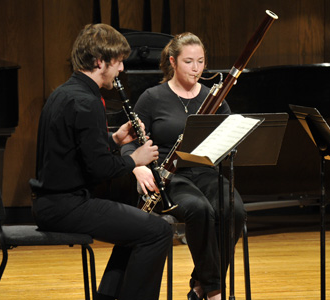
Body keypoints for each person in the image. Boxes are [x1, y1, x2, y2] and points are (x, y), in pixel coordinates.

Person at [30, 23, 172, 300]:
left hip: (50, 202)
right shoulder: (88, 102)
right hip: (66, 206)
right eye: (118, 62)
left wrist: (115, 141)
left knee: (138, 228)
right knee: (158, 231)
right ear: (99, 62)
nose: (121, 69)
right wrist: (135, 160)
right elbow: (99, 170)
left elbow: (74, 153)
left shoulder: (63, 93)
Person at [122, 32, 247, 300]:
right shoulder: (152, 97)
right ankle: (213, 292)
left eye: (201, 61)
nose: (196, 68)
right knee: (199, 209)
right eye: (189, 61)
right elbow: (129, 141)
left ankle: (199, 284)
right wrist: (137, 167)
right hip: (167, 175)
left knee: (233, 210)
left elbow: (230, 137)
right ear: (172, 61)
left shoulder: (214, 98)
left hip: (204, 170)